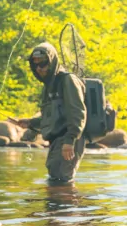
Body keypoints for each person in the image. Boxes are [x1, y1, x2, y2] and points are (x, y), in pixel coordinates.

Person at [28, 41, 88, 184]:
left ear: (52, 61)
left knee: (61, 180)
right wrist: (30, 123)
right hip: (57, 140)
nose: (39, 68)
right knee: (56, 178)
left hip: (69, 139)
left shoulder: (67, 80)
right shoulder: (49, 86)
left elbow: (78, 113)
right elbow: (54, 117)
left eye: (43, 63)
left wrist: (70, 141)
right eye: (35, 64)